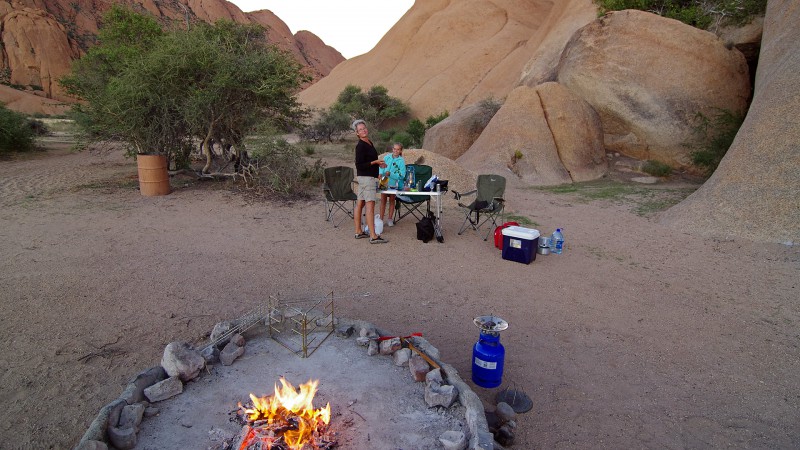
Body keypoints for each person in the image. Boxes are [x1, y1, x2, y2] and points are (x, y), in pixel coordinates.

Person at [352, 119, 388, 244]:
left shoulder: (369, 142)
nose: (363, 130)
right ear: (357, 133)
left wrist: (378, 168)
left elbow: (370, 162)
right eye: (360, 129)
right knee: (370, 205)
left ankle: (358, 231)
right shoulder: (360, 145)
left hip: (366, 177)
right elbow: (360, 165)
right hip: (366, 179)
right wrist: (375, 162)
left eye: (364, 128)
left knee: (360, 203)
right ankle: (373, 235)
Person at [379, 143, 406, 227]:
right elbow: (381, 167)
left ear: (400, 151)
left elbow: (402, 175)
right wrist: (380, 173)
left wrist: (391, 174)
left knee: (391, 200)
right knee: (383, 200)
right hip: (383, 180)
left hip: (394, 182)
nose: (395, 151)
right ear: (392, 149)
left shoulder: (401, 161)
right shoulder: (387, 157)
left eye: (398, 149)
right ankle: (381, 219)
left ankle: (390, 219)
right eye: (394, 149)